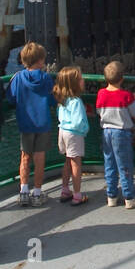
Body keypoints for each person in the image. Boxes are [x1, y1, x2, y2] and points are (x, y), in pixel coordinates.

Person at [7, 41, 55, 207]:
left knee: (25, 157)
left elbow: (11, 98)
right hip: (42, 123)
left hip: (25, 123)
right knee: (40, 157)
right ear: (40, 61)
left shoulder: (18, 79)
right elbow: (52, 99)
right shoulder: (46, 79)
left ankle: (23, 191)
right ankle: (37, 192)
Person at [96, 61, 135, 209]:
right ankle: (129, 196)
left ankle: (112, 196)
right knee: (125, 165)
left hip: (106, 131)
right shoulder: (126, 96)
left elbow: (98, 112)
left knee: (110, 164)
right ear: (122, 78)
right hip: (121, 132)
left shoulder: (101, 94)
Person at [53, 66, 89, 205]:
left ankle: (65, 189)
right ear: (74, 84)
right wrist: (85, 129)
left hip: (62, 131)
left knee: (67, 161)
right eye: (80, 79)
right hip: (74, 134)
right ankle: (77, 195)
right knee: (76, 164)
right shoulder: (76, 102)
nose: (83, 80)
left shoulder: (62, 100)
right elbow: (78, 122)